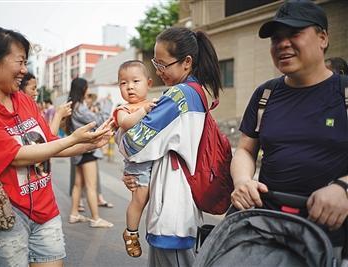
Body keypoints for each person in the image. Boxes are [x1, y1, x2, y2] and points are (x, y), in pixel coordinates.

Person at [0, 26, 112, 267]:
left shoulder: (24, 100)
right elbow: (16, 156)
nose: (24, 70)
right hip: (5, 216)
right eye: (20, 62)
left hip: (45, 210)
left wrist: (89, 143)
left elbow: (48, 145)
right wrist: (73, 139)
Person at [229, 0, 348, 264]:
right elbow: (246, 150)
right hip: (268, 231)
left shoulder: (344, 93)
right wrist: (242, 182)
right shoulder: (265, 94)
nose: (282, 44)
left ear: (323, 38)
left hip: (334, 238)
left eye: (294, 34)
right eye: (276, 38)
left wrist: (343, 188)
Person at [121, 26, 222, 266]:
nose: (158, 70)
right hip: (180, 205)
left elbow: (132, 144)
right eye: (156, 62)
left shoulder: (178, 97)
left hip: (172, 213)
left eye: (163, 64)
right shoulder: (197, 92)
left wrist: (121, 130)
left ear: (187, 62)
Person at [113, 60, 156, 257]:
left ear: (149, 83)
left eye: (135, 81)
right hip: (137, 165)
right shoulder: (123, 109)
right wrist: (143, 110)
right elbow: (126, 123)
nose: (129, 86)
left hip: (154, 161)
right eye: (123, 82)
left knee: (151, 199)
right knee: (140, 199)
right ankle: (131, 232)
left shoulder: (155, 104)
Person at [66, 77, 114, 227]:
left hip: (78, 151)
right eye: (86, 87)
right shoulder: (80, 107)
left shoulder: (73, 106)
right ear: (82, 89)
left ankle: (74, 214)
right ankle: (95, 218)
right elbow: (99, 120)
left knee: (78, 184)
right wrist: (107, 104)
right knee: (91, 186)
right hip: (86, 151)